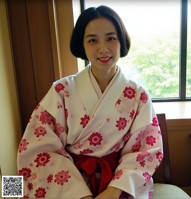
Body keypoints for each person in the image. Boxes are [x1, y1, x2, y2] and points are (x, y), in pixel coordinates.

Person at [17, 5, 163, 199]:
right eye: (93, 40)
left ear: (121, 41)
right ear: (82, 45)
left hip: (119, 181)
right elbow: (39, 147)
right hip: (68, 181)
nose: (103, 49)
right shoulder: (61, 90)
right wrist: (79, 194)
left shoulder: (138, 94)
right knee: (12, 188)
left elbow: (146, 150)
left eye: (111, 38)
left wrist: (114, 190)